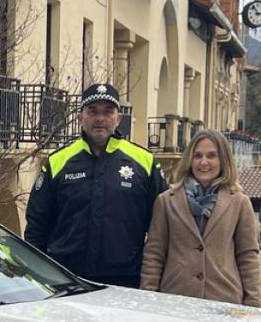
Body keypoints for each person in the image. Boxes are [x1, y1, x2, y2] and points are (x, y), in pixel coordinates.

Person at [24, 83, 166, 288]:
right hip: (66, 279)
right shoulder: (58, 162)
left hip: (125, 281)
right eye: (93, 111)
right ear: (80, 117)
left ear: (118, 119)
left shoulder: (144, 162)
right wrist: (37, 275)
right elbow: (37, 225)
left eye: (108, 112)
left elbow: (161, 226)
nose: (100, 118)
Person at [140, 129, 261, 306]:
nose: (203, 162)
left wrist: (253, 302)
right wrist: (148, 297)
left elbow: (247, 256)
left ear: (223, 160)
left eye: (212, 156)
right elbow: (154, 254)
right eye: (197, 156)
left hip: (224, 300)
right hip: (175, 299)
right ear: (189, 159)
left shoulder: (239, 203)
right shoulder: (166, 201)